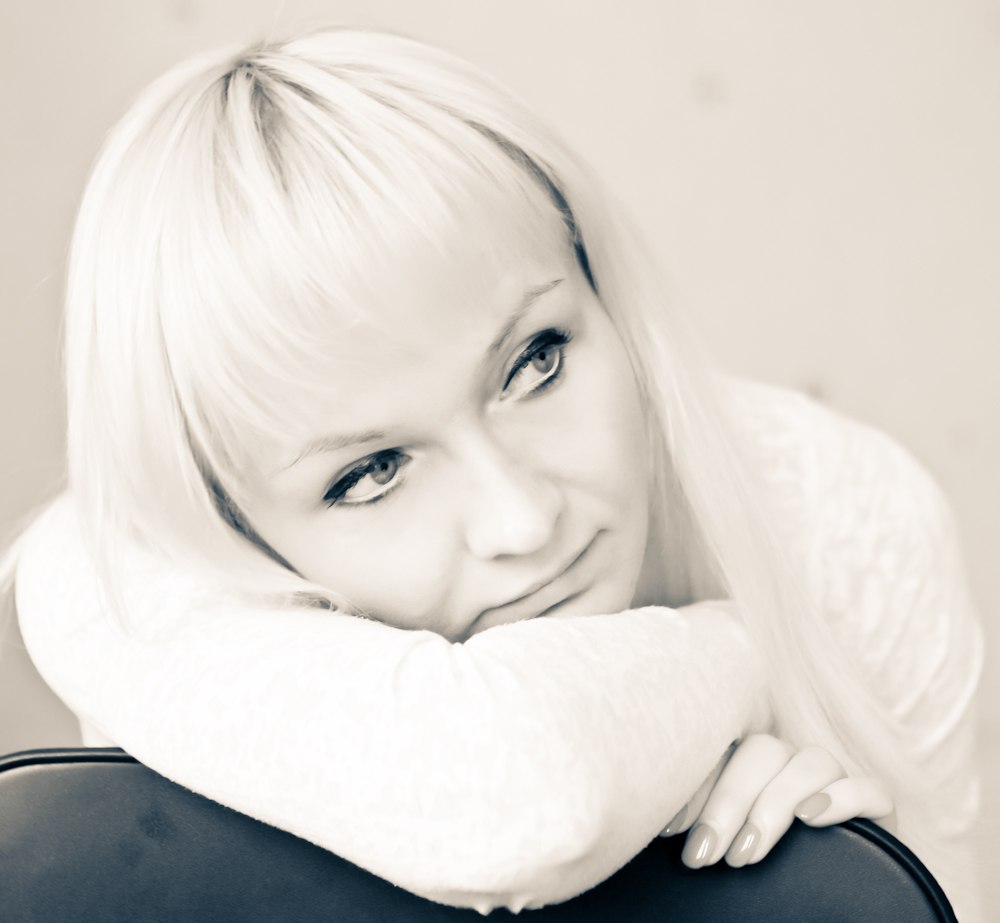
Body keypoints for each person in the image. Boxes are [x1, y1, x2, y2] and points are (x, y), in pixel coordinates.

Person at [6, 26, 983, 918]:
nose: (522, 519)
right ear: (228, 523)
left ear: (602, 289)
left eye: (535, 362)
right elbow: (525, 794)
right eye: (373, 471)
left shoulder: (840, 515)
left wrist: (846, 888)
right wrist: (742, 651)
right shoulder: (121, 570)